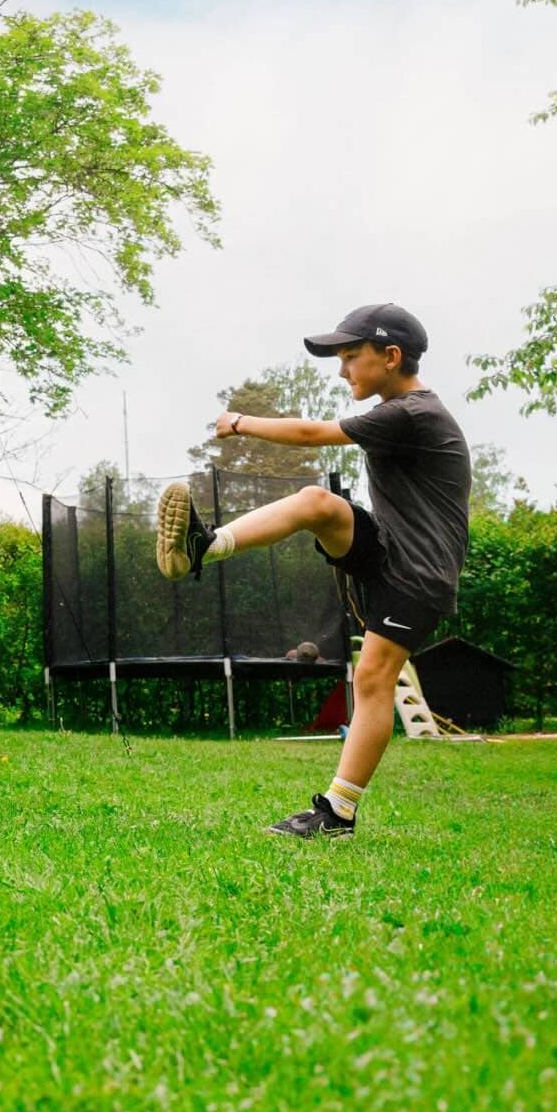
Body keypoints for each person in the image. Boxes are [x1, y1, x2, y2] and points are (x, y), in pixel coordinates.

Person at [154, 303, 471, 837]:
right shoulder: (401, 411)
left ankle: (337, 813)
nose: (342, 371)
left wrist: (238, 423)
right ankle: (205, 545)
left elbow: (309, 434)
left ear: (391, 356)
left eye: (351, 356)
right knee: (316, 503)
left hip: (418, 573)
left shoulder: (412, 412)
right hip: (388, 550)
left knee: (373, 679)